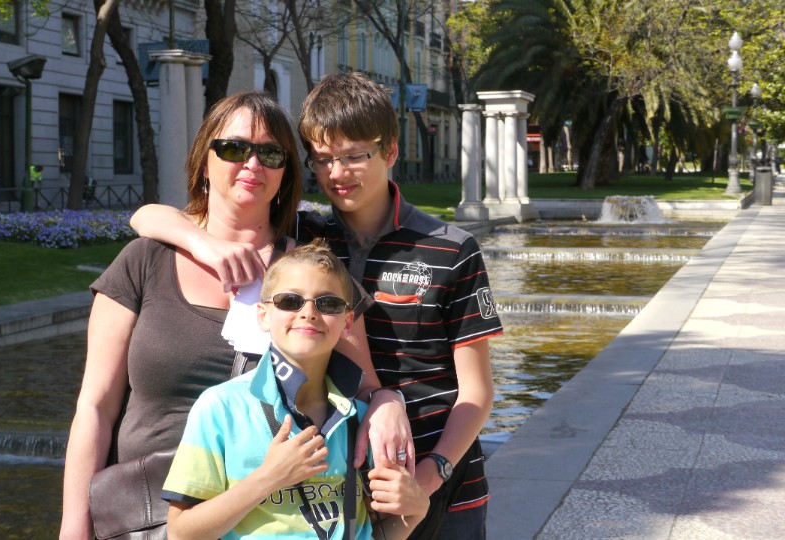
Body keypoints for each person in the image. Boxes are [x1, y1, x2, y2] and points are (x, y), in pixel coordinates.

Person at [130, 72, 504, 539]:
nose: (337, 173)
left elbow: (477, 393)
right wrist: (202, 245)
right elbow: (147, 216)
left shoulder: (451, 248)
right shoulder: (306, 240)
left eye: (354, 156)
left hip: (444, 485)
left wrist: (426, 482)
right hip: (346, 490)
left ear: (390, 151)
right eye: (323, 159)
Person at [59, 91, 410, 540]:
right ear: (204, 162)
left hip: (274, 519)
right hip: (147, 516)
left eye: (271, 154)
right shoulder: (144, 261)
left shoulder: (313, 275)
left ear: (285, 173)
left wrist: (388, 402)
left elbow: (364, 386)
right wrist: (74, 526)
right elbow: (95, 407)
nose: (252, 164)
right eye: (233, 148)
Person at [162, 239, 428, 540]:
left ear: (347, 322)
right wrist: (268, 478)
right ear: (263, 315)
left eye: (328, 304)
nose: (309, 312)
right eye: (290, 301)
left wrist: (417, 511)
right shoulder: (221, 408)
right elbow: (181, 533)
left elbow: (375, 533)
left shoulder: (365, 420)